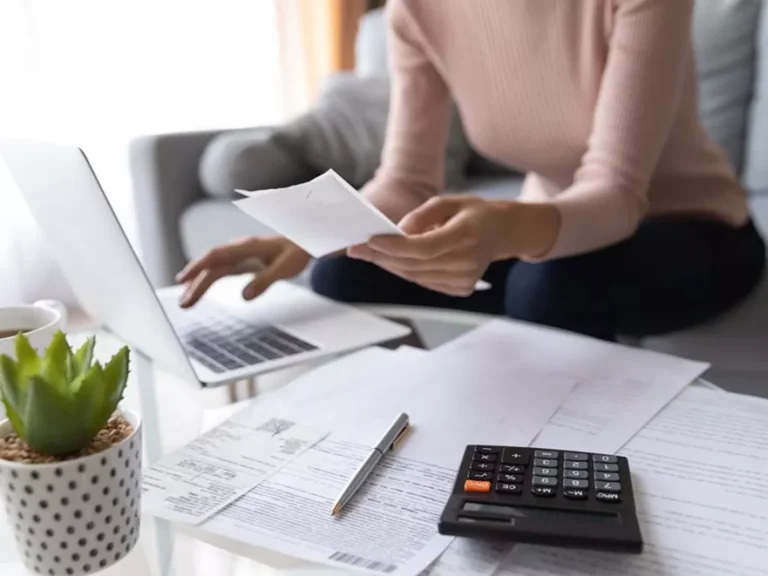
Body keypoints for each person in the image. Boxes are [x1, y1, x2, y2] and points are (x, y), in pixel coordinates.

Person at [177, 0, 766, 342]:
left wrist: (506, 229)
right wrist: (304, 239)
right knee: (345, 274)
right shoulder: (417, 11)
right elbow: (406, 181)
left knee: (549, 283)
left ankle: (555, 480)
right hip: (551, 235)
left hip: (695, 229)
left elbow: (616, 192)